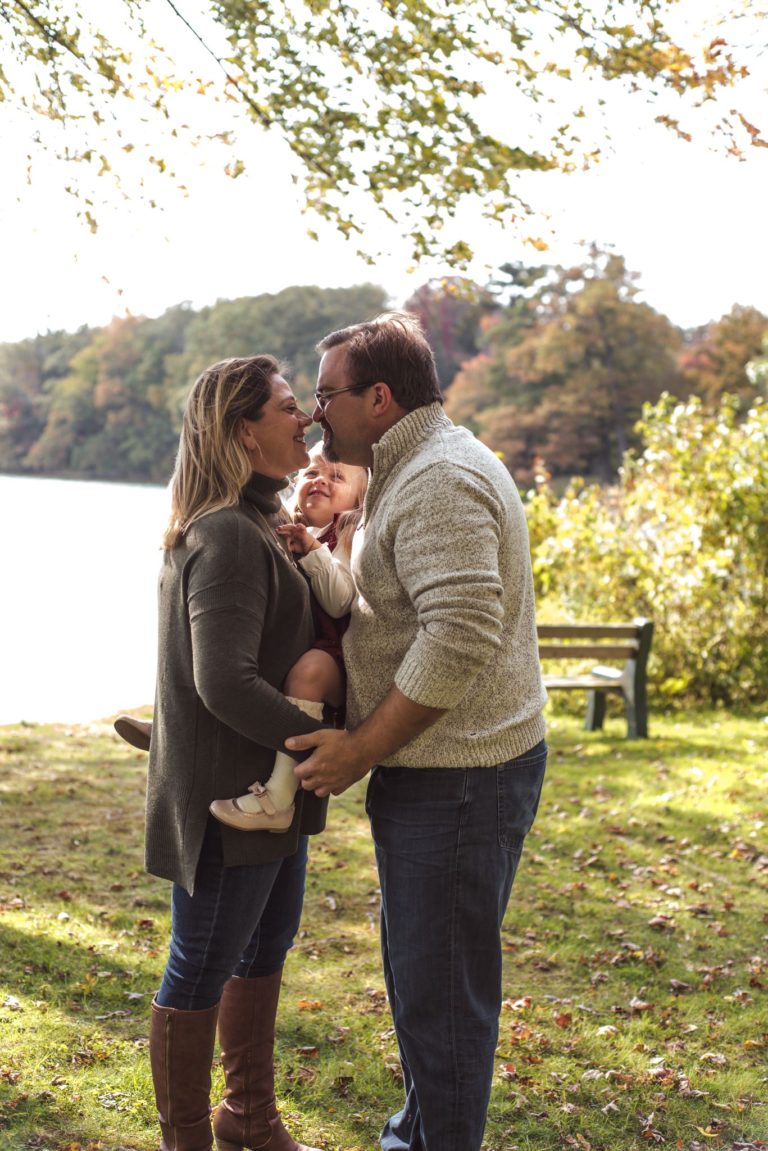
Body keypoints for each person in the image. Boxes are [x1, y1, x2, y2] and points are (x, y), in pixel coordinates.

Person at [285, 313, 549, 1151]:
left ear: (379, 396)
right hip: (439, 768)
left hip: (461, 777)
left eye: (326, 395)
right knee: (422, 975)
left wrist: (362, 747)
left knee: (440, 990)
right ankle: (420, 1130)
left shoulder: (438, 478)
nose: (318, 413)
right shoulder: (409, 467)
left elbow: (462, 632)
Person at [144, 355, 327, 1151]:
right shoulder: (224, 532)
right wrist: (322, 740)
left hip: (268, 794)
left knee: (262, 949)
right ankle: (186, 1139)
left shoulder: (258, 524)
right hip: (229, 801)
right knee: (201, 966)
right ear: (244, 431)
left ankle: (247, 1115)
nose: (308, 417)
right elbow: (222, 682)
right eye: (290, 406)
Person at [114, 446, 367, 834]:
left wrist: (314, 551)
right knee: (228, 645)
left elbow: (338, 603)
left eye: (337, 478)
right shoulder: (282, 524)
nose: (320, 481)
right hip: (298, 642)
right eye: (313, 473)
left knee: (308, 671)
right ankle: (173, 728)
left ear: (357, 499)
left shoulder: (347, 535)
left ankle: (279, 796)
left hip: (330, 652)